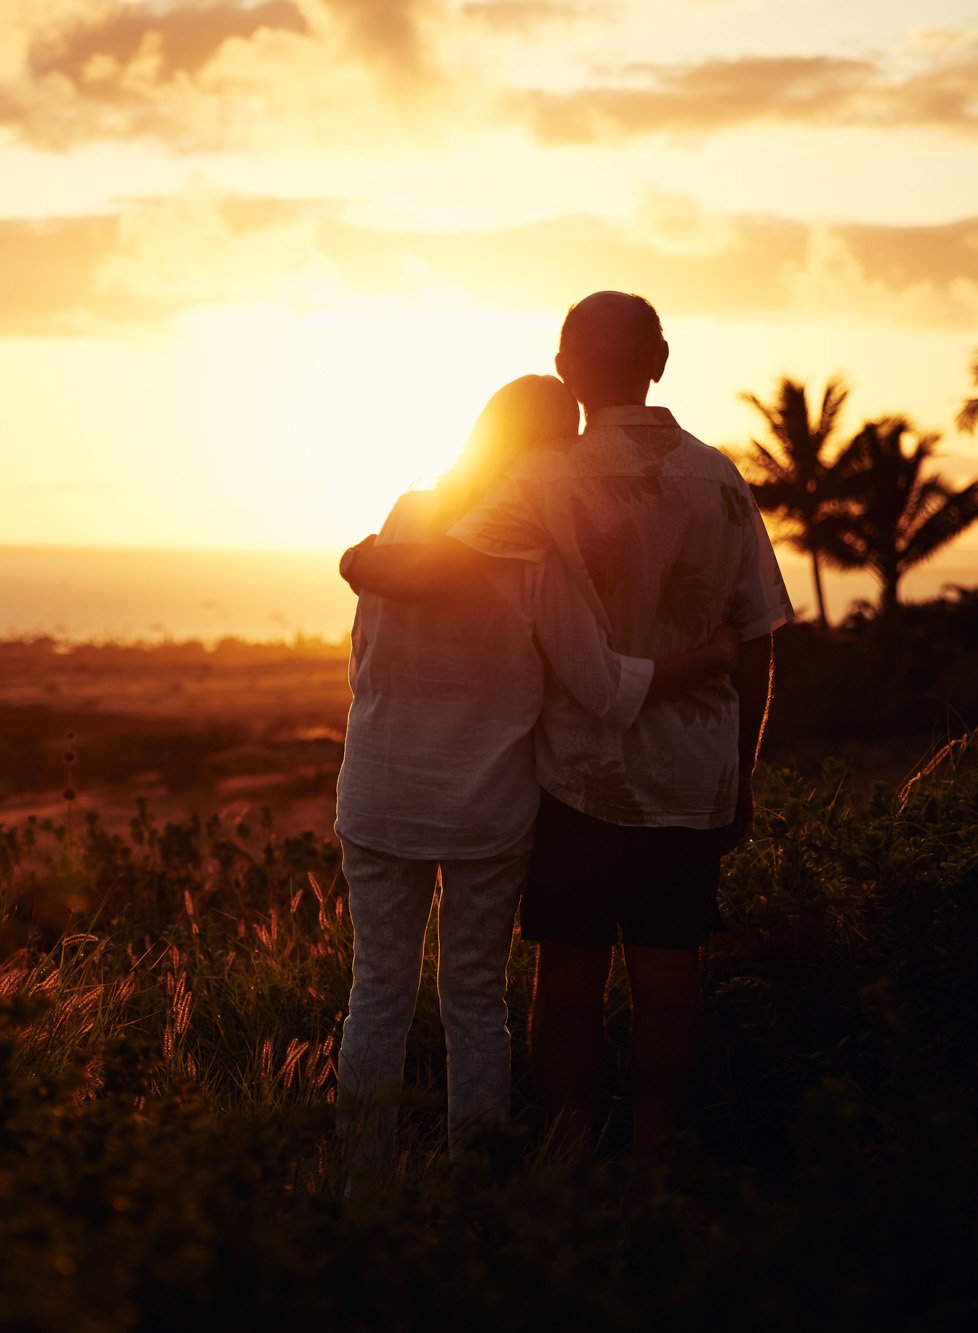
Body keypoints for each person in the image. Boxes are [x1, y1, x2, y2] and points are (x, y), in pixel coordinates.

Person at [342, 292, 794, 1160]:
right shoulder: (724, 480)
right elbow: (754, 639)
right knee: (670, 971)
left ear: (566, 368)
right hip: (694, 774)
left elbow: (443, 561)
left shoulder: (540, 481)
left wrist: (360, 557)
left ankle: (564, 1161)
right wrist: (742, 771)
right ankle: (652, 1168)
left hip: (579, 774)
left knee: (567, 974)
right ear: (660, 360)